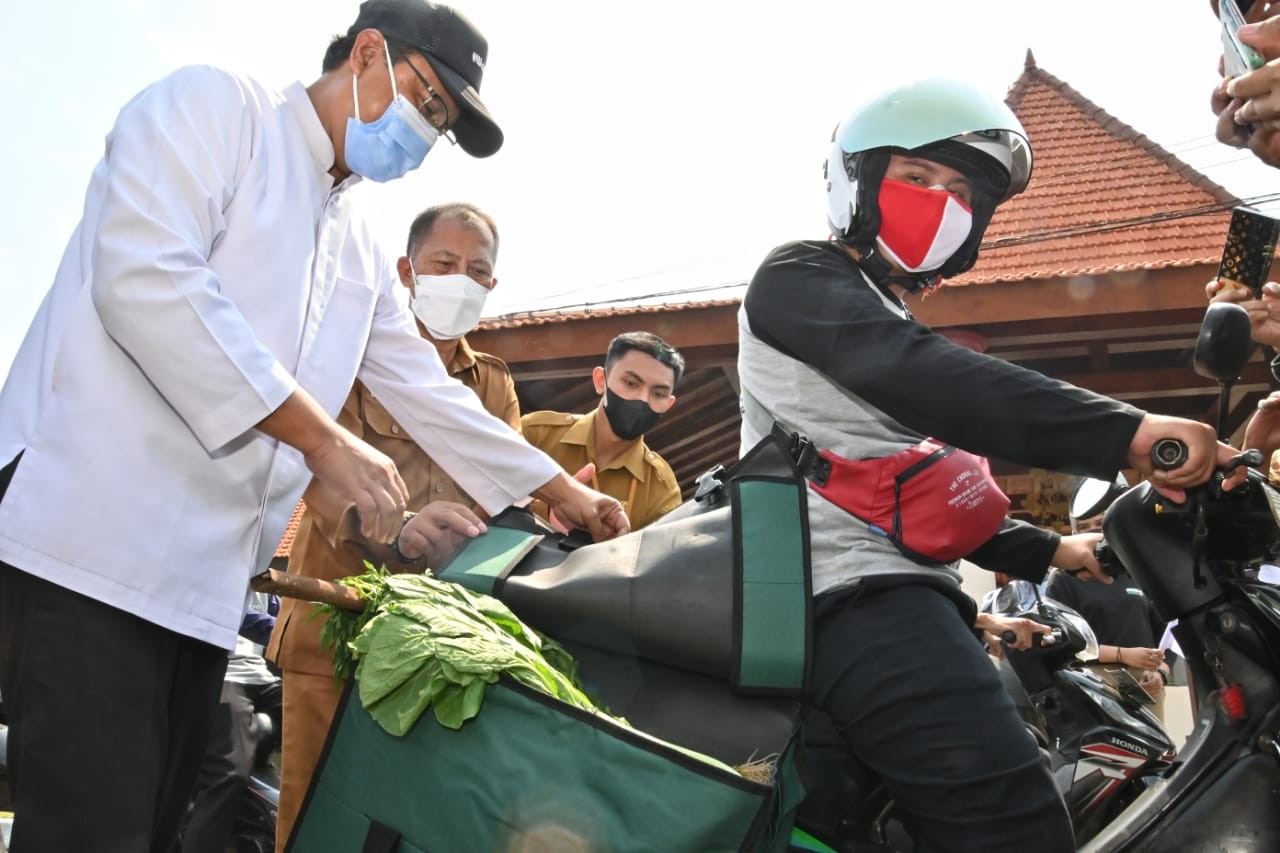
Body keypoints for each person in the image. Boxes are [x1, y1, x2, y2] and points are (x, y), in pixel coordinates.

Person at [0, 3, 627, 850]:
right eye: (428, 103)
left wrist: (559, 492)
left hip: (197, 592)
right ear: (368, 53)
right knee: (87, 829)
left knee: (153, 832)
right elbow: (146, 276)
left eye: (438, 124)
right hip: (88, 547)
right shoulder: (219, 110)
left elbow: (426, 391)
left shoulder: (357, 240)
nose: (423, 133)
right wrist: (322, 438)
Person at [736, 77, 1235, 851]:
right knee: (1016, 827)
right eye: (915, 177)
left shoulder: (882, 310)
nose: (941, 201)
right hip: (844, 594)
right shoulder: (798, 276)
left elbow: (911, 490)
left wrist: (1060, 550)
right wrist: (1130, 433)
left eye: (961, 191)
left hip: (893, 588)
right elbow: (924, 375)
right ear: (856, 184)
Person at [266, 200, 518, 848]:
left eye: (476, 269)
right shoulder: (349, 354)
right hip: (333, 628)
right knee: (316, 822)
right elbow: (316, 472)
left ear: (492, 285)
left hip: (433, 649)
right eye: (444, 262)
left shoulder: (491, 383)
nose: (460, 278)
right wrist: (397, 527)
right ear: (407, 270)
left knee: (408, 828)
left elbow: (507, 492)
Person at [522, 332, 685, 530]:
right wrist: (551, 510)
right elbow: (485, 502)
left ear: (668, 404)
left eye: (658, 394)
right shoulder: (536, 434)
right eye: (631, 383)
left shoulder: (662, 487)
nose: (642, 399)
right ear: (601, 380)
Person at [1046, 477, 1172, 719]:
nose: (1093, 531)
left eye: (1100, 523)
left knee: (1156, 755)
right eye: (1083, 527)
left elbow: (1166, 632)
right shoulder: (1065, 579)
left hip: (1145, 685)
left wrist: (1162, 672)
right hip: (1092, 683)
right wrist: (1123, 655)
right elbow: (1062, 640)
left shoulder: (1138, 570)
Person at [181, 593, 283, 853]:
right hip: (225, 675)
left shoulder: (266, 581)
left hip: (263, 678)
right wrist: (294, 631)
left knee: (325, 725)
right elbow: (243, 617)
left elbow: (289, 609)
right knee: (229, 774)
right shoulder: (226, 570)